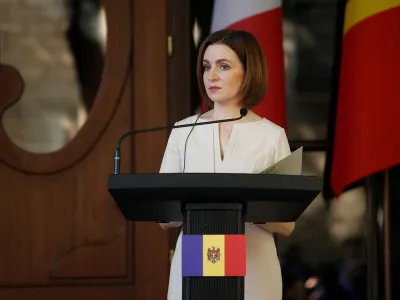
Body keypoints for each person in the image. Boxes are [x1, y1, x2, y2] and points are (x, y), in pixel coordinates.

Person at [159, 29, 295, 300]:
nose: (211, 76)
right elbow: (165, 217)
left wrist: (247, 207)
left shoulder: (272, 135)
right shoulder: (183, 131)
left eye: (224, 66)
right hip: (195, 262)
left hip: (252, 264)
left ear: (248, 72)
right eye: (207, 66)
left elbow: (287, 223)